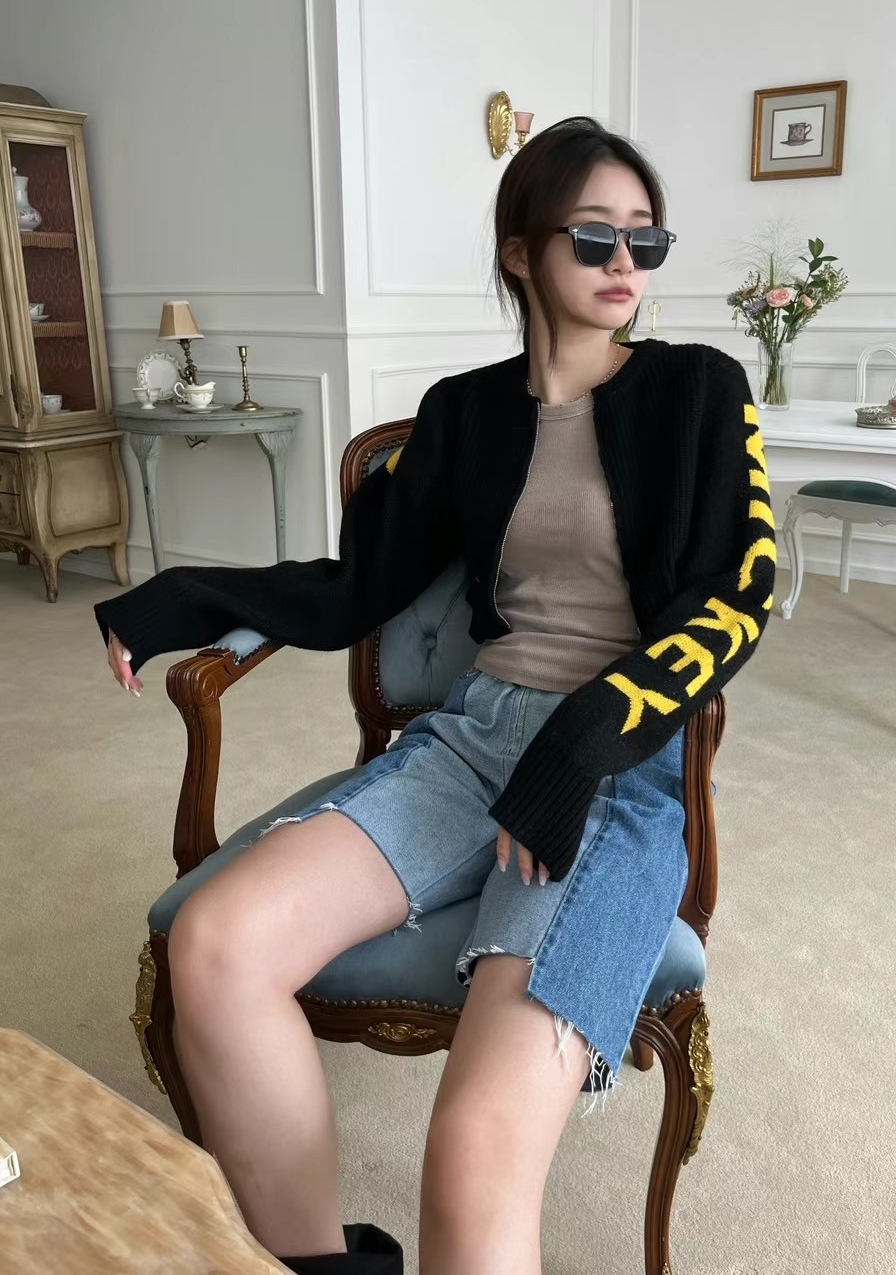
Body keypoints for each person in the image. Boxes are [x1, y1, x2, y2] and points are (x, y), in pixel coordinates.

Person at [95, 116, 776, 1275]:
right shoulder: (466, 412)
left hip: (615, 766)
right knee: (214, 947)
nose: (626, 263)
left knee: (471, 1158)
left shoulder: (700, 392)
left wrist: (585, 745)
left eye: (646, 240)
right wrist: (175, 601)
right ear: (522, 251)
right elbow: (359, 583)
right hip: (473, 742)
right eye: (595, 237)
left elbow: (739, 591)